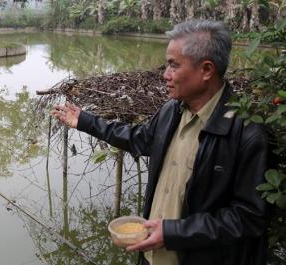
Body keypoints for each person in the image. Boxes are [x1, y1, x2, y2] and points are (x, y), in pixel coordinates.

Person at [52, 20, 269, 265]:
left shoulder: (246, 133)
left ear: (206, 70)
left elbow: (248, 218)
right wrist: (85, 121)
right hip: (152, 256)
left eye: (173, 66)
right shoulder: (171, 111)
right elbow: (138, 138)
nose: (165, 74)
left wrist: (172, 233)